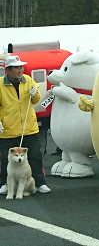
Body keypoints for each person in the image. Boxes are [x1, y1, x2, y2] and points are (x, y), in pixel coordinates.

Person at [0, 55, 51, 194]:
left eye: (21, 67)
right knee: (5, 158)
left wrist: (35, 93)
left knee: (35, 156)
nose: (20, 70)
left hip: (29, 128)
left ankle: (40, 183)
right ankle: (4, 183)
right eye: (17, 67)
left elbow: (36, 100)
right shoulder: (0, 84)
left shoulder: (28, 80)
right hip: (8, 129)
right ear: (8, 70)